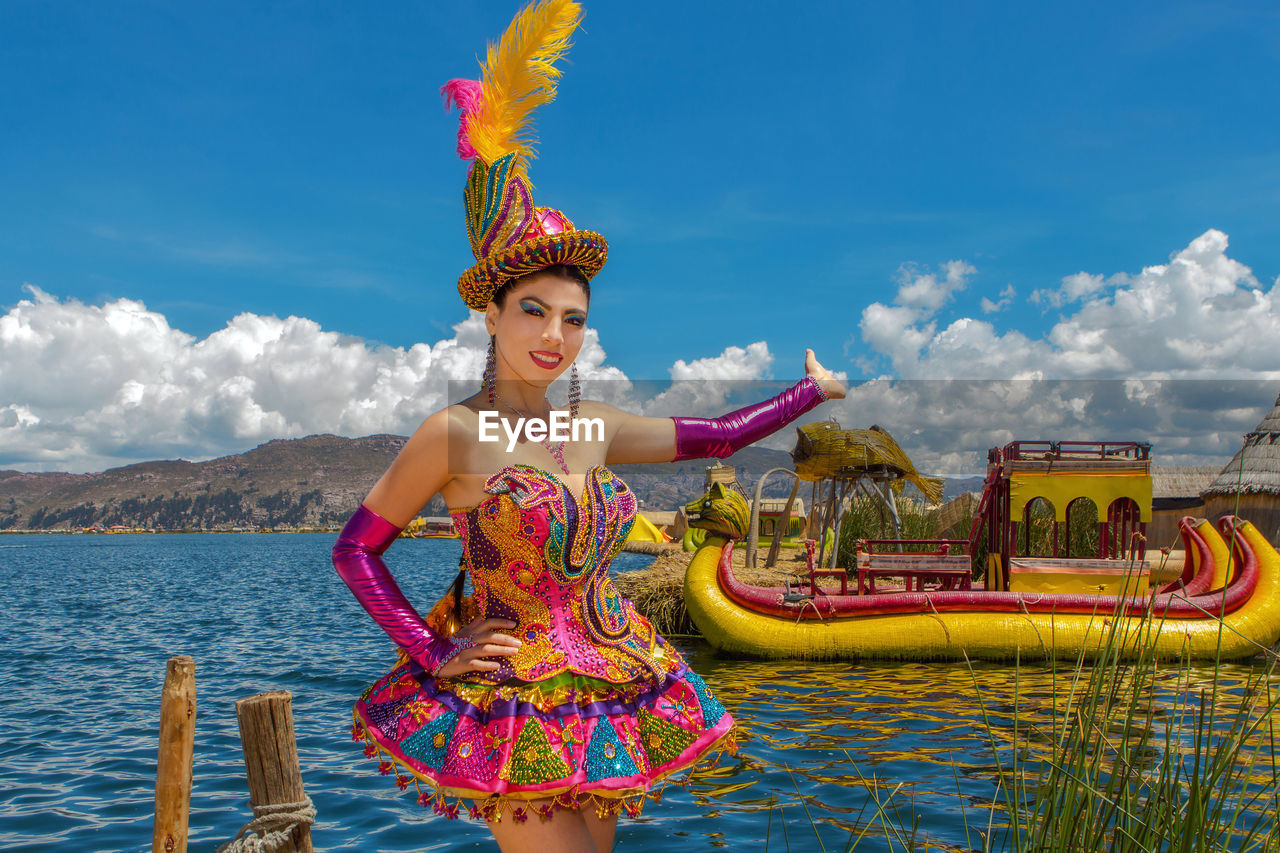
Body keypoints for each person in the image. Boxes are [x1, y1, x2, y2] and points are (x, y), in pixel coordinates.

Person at [332, 2, 846, 851]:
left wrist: (810, 392)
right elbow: (356, 549)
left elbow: (715, 438)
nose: (553, 337)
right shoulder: (451, 435)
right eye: (533, 311)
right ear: (490, 316)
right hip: (510, 698)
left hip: (605, 687)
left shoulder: (594, 426)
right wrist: (431, 649)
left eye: (572, 320)